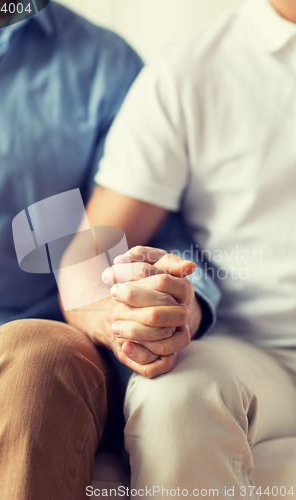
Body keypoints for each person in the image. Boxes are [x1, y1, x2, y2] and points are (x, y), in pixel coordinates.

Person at [0, 2, 219, 498]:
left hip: (29, 348)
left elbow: (156, 234)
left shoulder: (106, 67)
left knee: (34, 362)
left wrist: (162, 303)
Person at [60, 0, 296, 497]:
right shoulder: (191, 73)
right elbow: (89, 254)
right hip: (260, 354)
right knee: (176, 394)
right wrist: (124, 318)